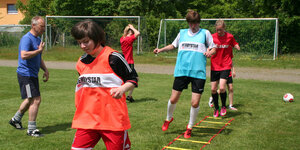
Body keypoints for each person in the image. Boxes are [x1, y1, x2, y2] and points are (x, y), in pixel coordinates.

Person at [70, 20, 138, 150]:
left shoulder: (114, 57)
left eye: (86, 41)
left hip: (113, 121)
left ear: (97, 38)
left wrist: (122, 89)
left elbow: (133, 79)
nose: (83, 46)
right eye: (79, 43)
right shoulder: (81, 62)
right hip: (86, 120)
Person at [153, 10, 216, 139]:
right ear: (188, 22)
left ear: (199, 22)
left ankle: (189, 127)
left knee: (194, 103)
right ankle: (168, 118)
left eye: (196, 23)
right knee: (173, 99)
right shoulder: (182, 33)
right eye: (191, 23)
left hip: (198, 72)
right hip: (182, 71)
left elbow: (214, 48)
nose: (193, 26)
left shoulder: (205, 33)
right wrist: (161, 49)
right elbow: (173, 45)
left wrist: (211, 52)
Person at [9, 16, 49, 137]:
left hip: (32, 75)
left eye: (44, 26)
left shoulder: (37, 38)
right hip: (25, 75)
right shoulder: (27, 38)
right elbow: (24, 55)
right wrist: (38, 51)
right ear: (33, 25)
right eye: (42, 26)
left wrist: (45, 70)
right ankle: (31, 129)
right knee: (36, 99)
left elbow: (38, 57)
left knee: (30, 99)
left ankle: (15, 120)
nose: (44, 29)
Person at [210, 19, 240, 117]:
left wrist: (236, 46)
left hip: (226, 65)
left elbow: (234, 43)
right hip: (215, 66)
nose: (219, 32)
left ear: (224, 28)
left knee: (222, 87)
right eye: (217, 30)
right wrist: (207, 52)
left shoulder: (229, 36)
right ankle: (216, 108)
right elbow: (207, 46)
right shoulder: (212, 37)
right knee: (213, 89)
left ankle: (223, 106)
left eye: (221, 30)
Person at [120, 24, 140, 102]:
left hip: (124, 62)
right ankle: (120, 93)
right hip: (129, 62)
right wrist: (132, 28)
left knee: (135, 79)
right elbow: (138, 33)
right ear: (130, 31)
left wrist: (129, 29)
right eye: (132, 31)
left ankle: (129, 96)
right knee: (133, 80)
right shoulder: (129, 39)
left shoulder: (122, 39)